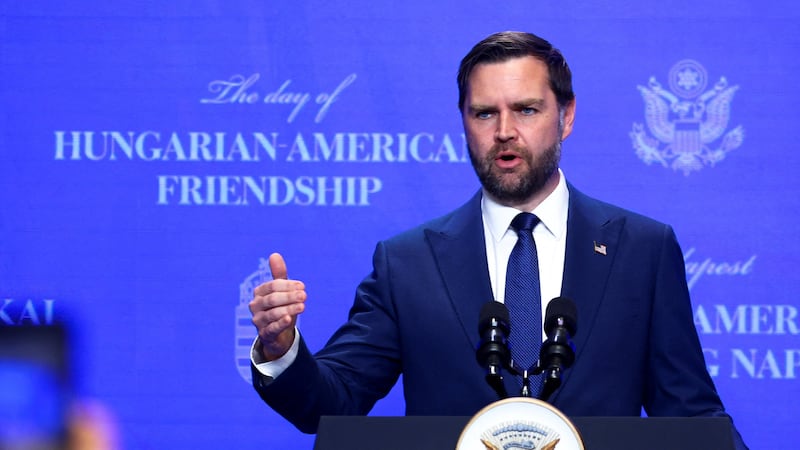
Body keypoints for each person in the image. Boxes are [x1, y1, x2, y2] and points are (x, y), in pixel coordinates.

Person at [248, 31, 748, 448]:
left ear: (566, 116)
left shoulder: (643, 249)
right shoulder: (408, 262)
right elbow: (331, 403)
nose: (505, 131)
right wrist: (282, 345)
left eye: (527, 110)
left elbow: (689, 416)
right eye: (484, 113)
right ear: (464, 123)